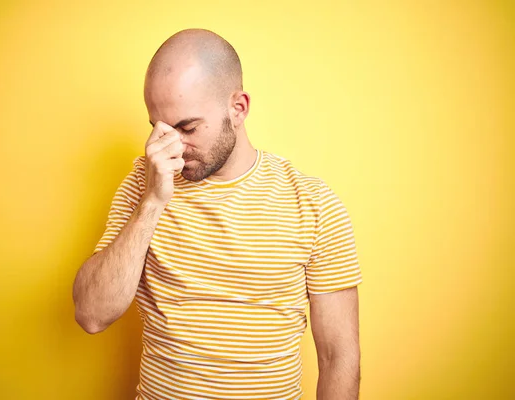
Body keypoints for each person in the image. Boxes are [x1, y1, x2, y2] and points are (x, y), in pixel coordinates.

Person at [73, 28, 363, 400]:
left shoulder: (313, 203)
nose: (170, 145)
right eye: (158, 129)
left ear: (238, 108)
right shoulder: (142, 185)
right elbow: (92, 315)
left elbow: (339, 357)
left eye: (187, 127)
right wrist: (151, 203)